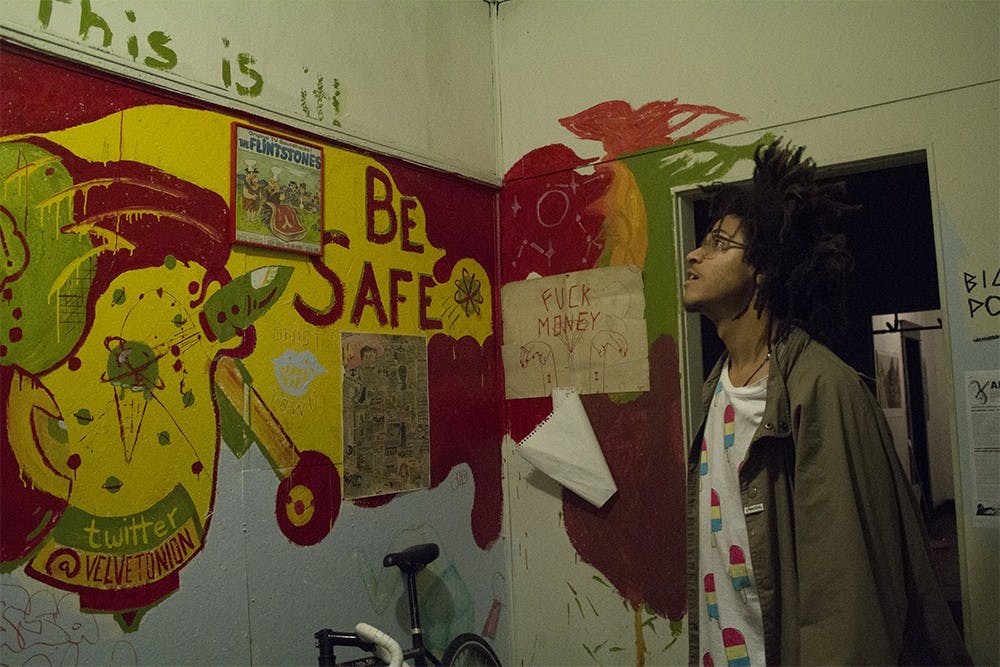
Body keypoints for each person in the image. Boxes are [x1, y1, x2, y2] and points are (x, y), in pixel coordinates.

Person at [683, 139, 970, 665]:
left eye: (719, 243)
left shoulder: (820, 388)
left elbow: (848, 600)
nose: (694, 254)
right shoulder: (715, 387)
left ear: (762, 269)